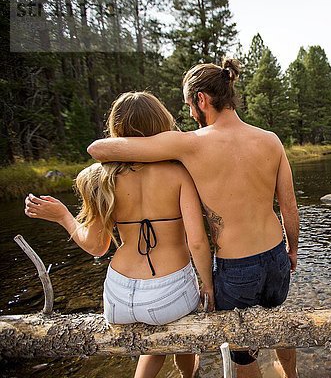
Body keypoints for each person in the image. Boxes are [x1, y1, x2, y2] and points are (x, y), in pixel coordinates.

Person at [87, 59, 299, 378]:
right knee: (276, 321)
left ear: (201, 99)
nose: (189, 114)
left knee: (242, 350)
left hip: (237, 267)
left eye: (189, 104)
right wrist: (292, 250)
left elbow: (98, 149)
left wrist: (208, 285)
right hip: (276, 256)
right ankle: (290, 375)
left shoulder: (189, 144)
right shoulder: (270, 140)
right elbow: (289, 208)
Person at [24, 91, 215, 378]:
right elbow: (197, 242)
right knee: (180, 337)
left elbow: (97, 247)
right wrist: (208, 286)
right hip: (168, 295)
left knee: (153, 347)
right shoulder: (178, 173)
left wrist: (64, 216)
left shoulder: (101, 178)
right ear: (160, 124)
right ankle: (190, 375)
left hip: (118, 298)